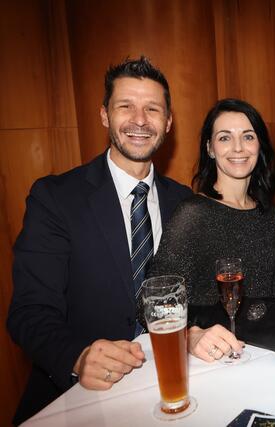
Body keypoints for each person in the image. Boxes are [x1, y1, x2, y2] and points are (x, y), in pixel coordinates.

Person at [6, 56, 192, 424]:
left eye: (152, 109)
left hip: (171, 387)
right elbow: (29, 312)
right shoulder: (55, 198)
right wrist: (77, 356)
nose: (140, 120)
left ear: (168, 122)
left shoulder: (184, 201)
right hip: (84, 398)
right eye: (126, 106)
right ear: (105, 115)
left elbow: (193, 296)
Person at [148, 98, 275, 362]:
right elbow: (155, 302)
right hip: (214, 359)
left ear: (259, 145)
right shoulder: (193, 214)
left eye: (248, 136)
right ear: (210, 148)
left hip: (267, 353)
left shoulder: (268, 213)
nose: (238, 147)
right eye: (225, 138)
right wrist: (191, 335)